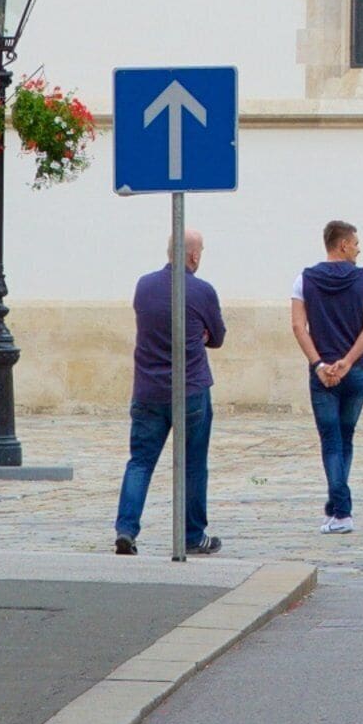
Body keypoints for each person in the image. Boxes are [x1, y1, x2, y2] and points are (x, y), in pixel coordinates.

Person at [113, 230, 223, 557]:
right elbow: (217, 336)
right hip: (190, 389)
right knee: (193, 465)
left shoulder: (144, 286)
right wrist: (201, 335)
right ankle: (192, 535)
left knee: (140, 462)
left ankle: (126, 529)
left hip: (148, 389)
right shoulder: (202, 291)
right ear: (193, 256)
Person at [290, 220, 363, 533]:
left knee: (331, 440)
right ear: (342, 245)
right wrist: (348, 361)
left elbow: (298, 326)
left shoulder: (303, 280)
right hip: (355, 371)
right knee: (345, 437)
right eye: (355, 243)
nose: (358, 249)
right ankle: (338, 508)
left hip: (322, 374)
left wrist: (319, 364)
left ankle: (340, 511)